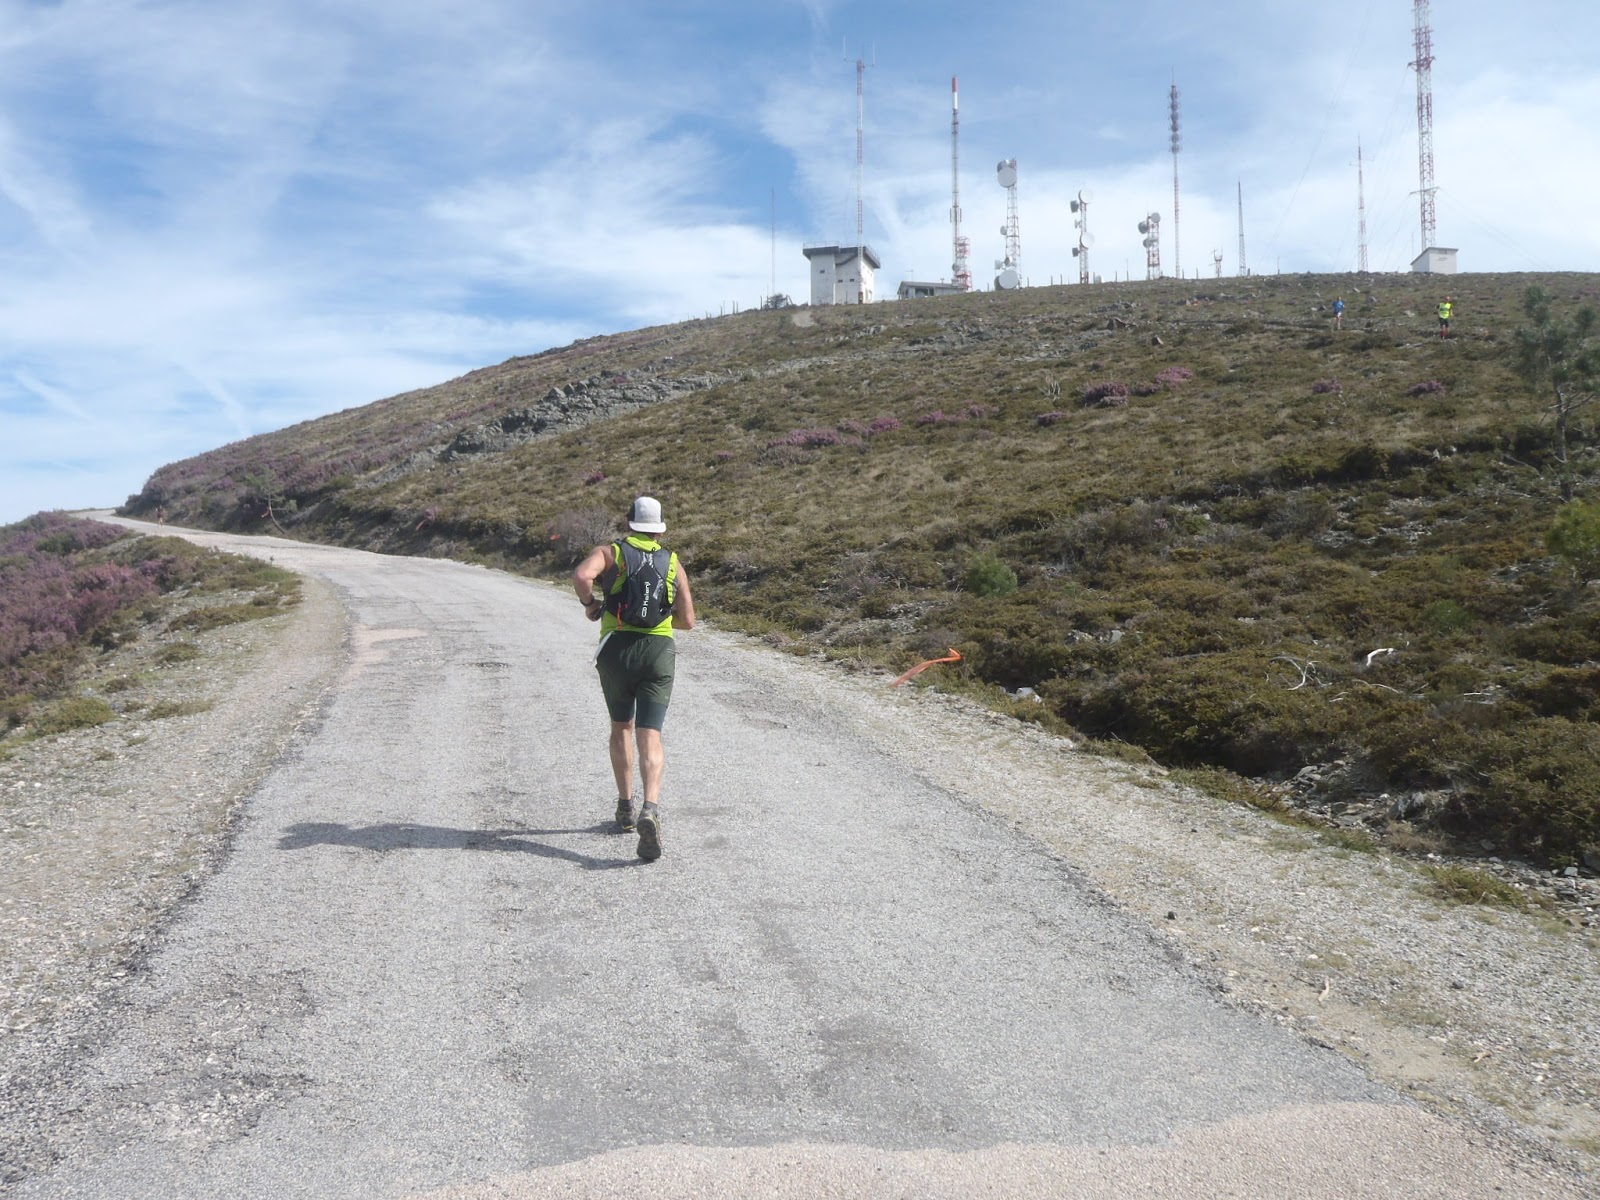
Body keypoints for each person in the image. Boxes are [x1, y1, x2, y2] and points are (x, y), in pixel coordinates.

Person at [572, 496, 695, 861]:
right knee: (650, 734)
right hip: (658, 653)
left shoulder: (611, 553)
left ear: (629, 525)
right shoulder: (672, 561)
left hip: (617, 649)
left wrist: (591, 606)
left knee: (621, 727)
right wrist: (660, 621)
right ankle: (650, 808)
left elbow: (582, 576)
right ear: (659, 529)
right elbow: (688, 621)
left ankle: (625, 808)